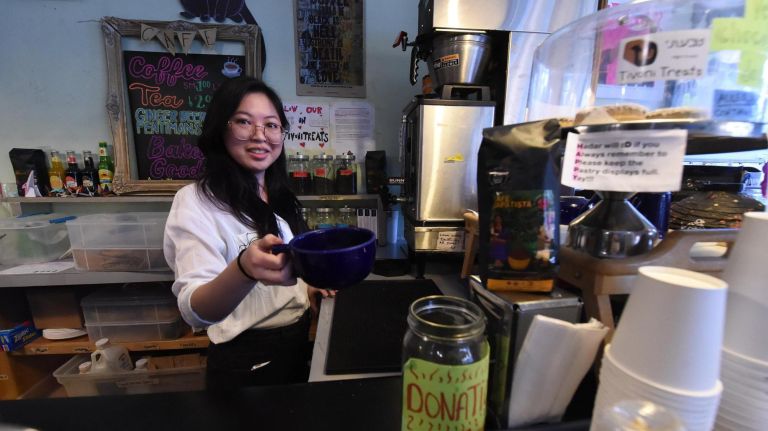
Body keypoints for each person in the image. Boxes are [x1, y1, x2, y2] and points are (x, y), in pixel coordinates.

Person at [163, 77, 333, 391]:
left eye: (271, 125)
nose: (260, 136)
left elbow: (288, 273)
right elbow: (195, 311)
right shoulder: (195, 201)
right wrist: (244, 269)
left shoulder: (279, 194)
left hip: (298, 343)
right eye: (243, 122)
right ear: (221, 128)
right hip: (246, 361)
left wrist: (309, 289)